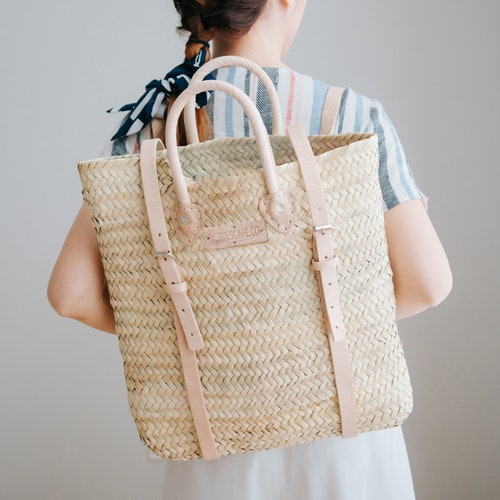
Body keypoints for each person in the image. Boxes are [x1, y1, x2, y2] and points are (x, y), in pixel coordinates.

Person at [47, 0, 453, 498]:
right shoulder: (350, 115)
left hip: (213, 440)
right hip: (347, 439)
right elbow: (428, 283)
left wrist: (209, 337)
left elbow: (70, 295)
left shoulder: (153, 129)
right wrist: (305, 337)